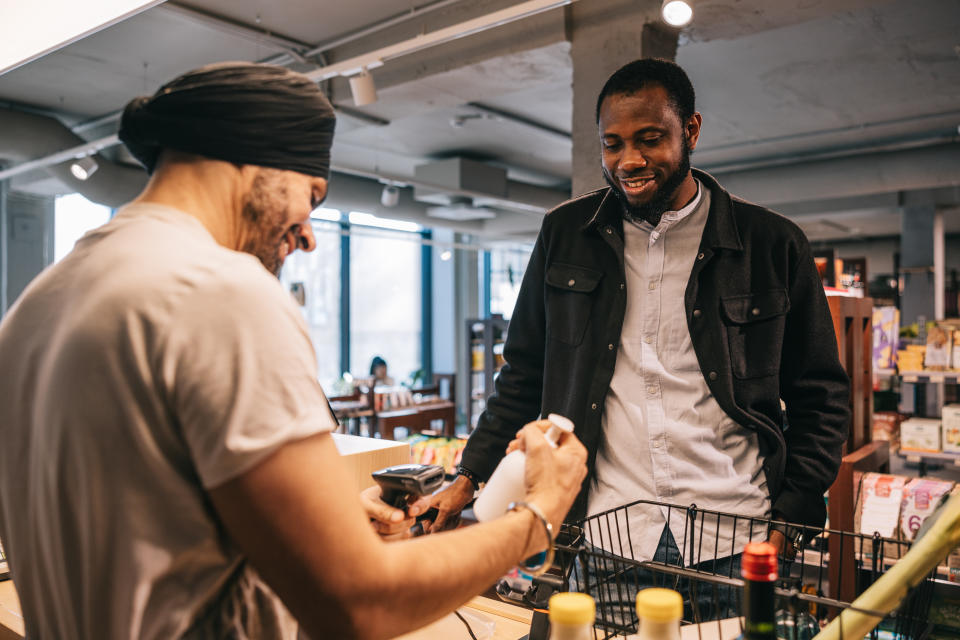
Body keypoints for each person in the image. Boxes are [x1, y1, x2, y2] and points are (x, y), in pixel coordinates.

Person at [0, 62, 588, 640]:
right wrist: (536, 516)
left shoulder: (38, 303)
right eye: (311, 195)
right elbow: (359, 604)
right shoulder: (221, 289)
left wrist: (316, 533)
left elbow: (141, 530)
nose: (308, 233)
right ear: (251, 159)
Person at [428, 58, 850, 612]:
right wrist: (469, 475)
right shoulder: (566, 235)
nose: (629, 160)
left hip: (734, 537)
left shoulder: (772, 245)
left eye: (650, 139)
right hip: (606, 538)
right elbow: (526, 372)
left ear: (691, 130)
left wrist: (790, 519)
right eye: (612, 144)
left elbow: (821, 397)